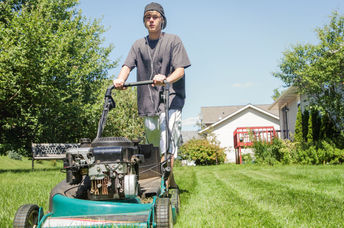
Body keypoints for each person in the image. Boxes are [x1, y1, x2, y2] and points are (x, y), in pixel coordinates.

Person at [113, 2, 191, 189]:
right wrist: (120, 80)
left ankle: (165, 182)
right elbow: (127, 66)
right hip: (148, 101)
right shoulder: (138, 45)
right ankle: (164, 181)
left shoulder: (173, 40)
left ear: (162, 20)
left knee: (168, 139)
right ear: (144, 21)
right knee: (154, 144)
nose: (151, 20)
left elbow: (180, 70)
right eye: (148, 17)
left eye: (155, 17)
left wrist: (166, 79)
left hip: (171, 98)